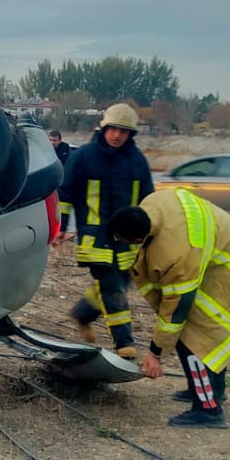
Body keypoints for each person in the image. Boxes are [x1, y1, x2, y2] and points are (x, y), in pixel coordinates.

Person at [109, 187, 230, 428]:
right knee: (207, 335)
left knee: (194, 338)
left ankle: (208, 409)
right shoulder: (155, 201)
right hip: (227, 251)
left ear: (139, 240)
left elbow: (176, 312)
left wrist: (156, 354)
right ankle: (212, 389)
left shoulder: (176, 253)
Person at [59, 103, 154, 359]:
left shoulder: (138, 162)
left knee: (119, 284)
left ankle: (82, 313)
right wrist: (60, 226)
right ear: (104, 128)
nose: (117, 135)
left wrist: (149, 234)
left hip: (127, 242)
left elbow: (149, 201)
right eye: (113, 129)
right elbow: (64, 194)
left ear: (131, 134)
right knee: (112, 287)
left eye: (123, 131)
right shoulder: (83, 157)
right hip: (95, 238)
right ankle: (124, 344)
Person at [47, 128, 73, 235]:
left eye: (54, 140)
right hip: (51, 182)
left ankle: (61, 227)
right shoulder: (47, 150)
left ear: (60, 140)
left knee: (62, 206)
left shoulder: (66, 150)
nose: (52, 143)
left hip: (63, 182)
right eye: (50, 140)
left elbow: (69, 166)